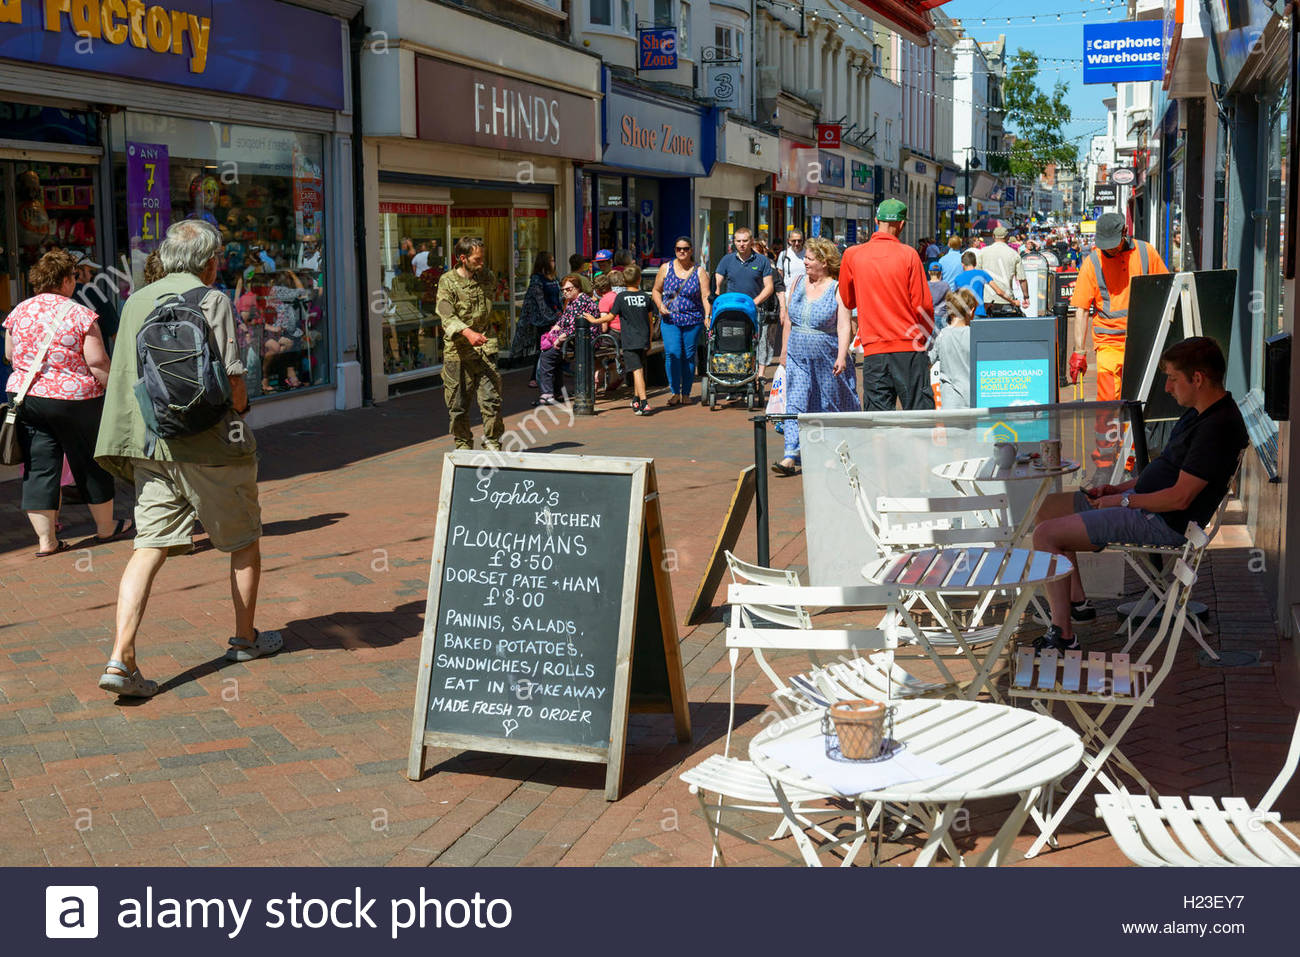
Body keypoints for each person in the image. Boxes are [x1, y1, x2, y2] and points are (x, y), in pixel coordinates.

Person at [93, 220, 276, 698]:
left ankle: (121, 656)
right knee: (244, 540)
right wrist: (240, 411)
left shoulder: (135, 301)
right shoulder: (212, 299)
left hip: (155, 448)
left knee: (147, 548)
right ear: (209, 261)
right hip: (213, 446)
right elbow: (234, 378)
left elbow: (127, 379)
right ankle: (243, 639)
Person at [1031, 337, 1247, 652]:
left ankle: (1063, 634)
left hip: (1161, 521)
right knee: (1049, 508)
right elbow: (1166, 468)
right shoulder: (1200, 412)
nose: (1168, 388)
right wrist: (1118, 488)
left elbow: (1179, 499)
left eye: (1173, 378)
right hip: (1144, 505)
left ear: (1197, 378)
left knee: (1046, 535)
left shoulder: (1216, 428)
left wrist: (1122, 500)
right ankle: (1076, 603)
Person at [4, 249, 128, 556]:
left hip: (28, 397)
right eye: (72, 276)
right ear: (64, 281)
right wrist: (115, 394)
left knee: (40, 467)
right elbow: (98, 362)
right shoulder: (80, 314)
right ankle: (105, 529)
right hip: (75, 400)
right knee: (89, 462)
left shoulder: (19, 311)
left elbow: (9, 355)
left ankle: (47, 542)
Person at [1069, 212, 1169, 465]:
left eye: (1111, 244)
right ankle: (1105, 460)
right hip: (1109, 344)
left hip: (1142, 341)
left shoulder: (1146, 253)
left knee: (1138, 401)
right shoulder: (1093, 262)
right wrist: (1079, 351)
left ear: (1125, 233)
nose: (1107, 250)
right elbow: (1081, 309)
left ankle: (1132, 459)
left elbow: (1166, 290)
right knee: (1107, 403)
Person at [772, 237, 859, 475]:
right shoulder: (798, 281)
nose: (806, 263)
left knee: (828, 404)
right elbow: (789, 320)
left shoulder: (838, 288)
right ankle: (791, 453)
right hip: (798, 353)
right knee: (796, 402)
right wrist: (783, 351)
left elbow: (843, 326)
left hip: (827, 355)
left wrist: (842, 356)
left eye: (810, 259)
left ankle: (833, 451)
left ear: (824, 261)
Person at [838, 199, 934, 411]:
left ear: (876, 221)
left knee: (878, 423)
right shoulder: (909, 255)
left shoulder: (852, 255)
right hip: (909, 346)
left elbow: (847, 300)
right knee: (920, 417)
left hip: (875, 349)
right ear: (901, 224)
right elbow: (923, 306)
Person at [437, 237, 504, 450]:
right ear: (463, 258)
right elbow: (446, 314)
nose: (481, 263)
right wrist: (467, 333)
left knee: (491, 400)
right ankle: (463, 444)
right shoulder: (447, 281)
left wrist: (480, 334)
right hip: (457, 351)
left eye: (483, 258)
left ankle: (493, 444)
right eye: (477, 259)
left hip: (485, 348)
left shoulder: (487, 277)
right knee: (457, 405)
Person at [651, 235, 712, 406]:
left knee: (688, 355)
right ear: (675, 251)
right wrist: (659, 305)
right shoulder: (665, 268)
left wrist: (708, 316)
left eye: (685, 249)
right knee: (673, 353)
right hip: (670, 318)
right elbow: (656, 290)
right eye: (679, 249)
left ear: (691, 250)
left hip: (692, 320)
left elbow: (706, 296)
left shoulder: (699, 271)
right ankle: (674, 392)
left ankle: (686, 392)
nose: (682, 252)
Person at [536, 274, 600, 404]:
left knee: (547, 357)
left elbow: (574, 327)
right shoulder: (572, 302)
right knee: (555, 357)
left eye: (568, 289)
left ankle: (548, 393)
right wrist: (554, 329)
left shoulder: (582, 302)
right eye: (563, 290)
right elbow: (563, 320)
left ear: (577, 288)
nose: (565, 292)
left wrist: (558, 339)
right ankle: (557, 392)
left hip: (584, 340)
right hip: (575, 339)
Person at [600, 265, 654, 415]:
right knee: (639, 370)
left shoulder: (621, 298)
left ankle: (644, 403)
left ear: (624, 280)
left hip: (629, 340)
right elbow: (650, 321)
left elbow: (610, 316)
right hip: (643, 339)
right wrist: (649, 340)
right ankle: (636, 400)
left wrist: (594, 320)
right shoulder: (645, 296)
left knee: (637, 371)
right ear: (639, 279)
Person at [932, 289, 978, 409]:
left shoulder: (941, 336)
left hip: (949, 401)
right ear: (971, 309)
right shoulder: (976, 336)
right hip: (975, 399)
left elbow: (927, 362)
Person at [520, 251, 560, 385]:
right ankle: (535, 377)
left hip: (556, 317)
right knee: (543, 347)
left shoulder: (554, 278)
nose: (554, 263)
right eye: (551, 260)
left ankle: (549, 376)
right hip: (542, 320)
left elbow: (559, 296)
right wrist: (550, 316)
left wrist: (560, 312)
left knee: (553, 347)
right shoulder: (537, 279)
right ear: (545, 262)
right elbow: (539, 301)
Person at [713, 226, 775, 312]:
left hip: (754, 308)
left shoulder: (762, 260)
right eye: (738, 241)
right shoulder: (726, 260)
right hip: (731, 308)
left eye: (745, 241)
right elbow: (716, 284)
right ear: (734, 242)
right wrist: (717, 304)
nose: (741, 244)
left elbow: (769, 287)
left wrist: (753, 303)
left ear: (752, 241)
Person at [71, 252, 120, 354]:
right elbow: (115, 332)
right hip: (95, 361)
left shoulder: (55, 297)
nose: (91, 275)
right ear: (77, 271)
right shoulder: (93, 291)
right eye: (90, 271)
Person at [951, 251, 1015, 318]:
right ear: (975, 263)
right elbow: (998, 291)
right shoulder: (982, 273)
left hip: (963, 314)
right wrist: (1013, 301)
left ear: (962, 264)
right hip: (978, 312)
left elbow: (955, 298)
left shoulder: (957, 278)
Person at [979, 226, 1028, 312]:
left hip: (987, 298)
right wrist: (1026, 296)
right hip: (1007, 299)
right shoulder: (1014, 254)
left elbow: (976, 275)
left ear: (993, 236)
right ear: (1007, 237)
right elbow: (1022, 279)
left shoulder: (983, 252)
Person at [927, 261, 952, 328]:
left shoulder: (925, 285)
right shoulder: (945, 285)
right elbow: (950, 301)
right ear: (941, 272)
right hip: (942, 316)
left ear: (929, 272)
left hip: (929, 316)